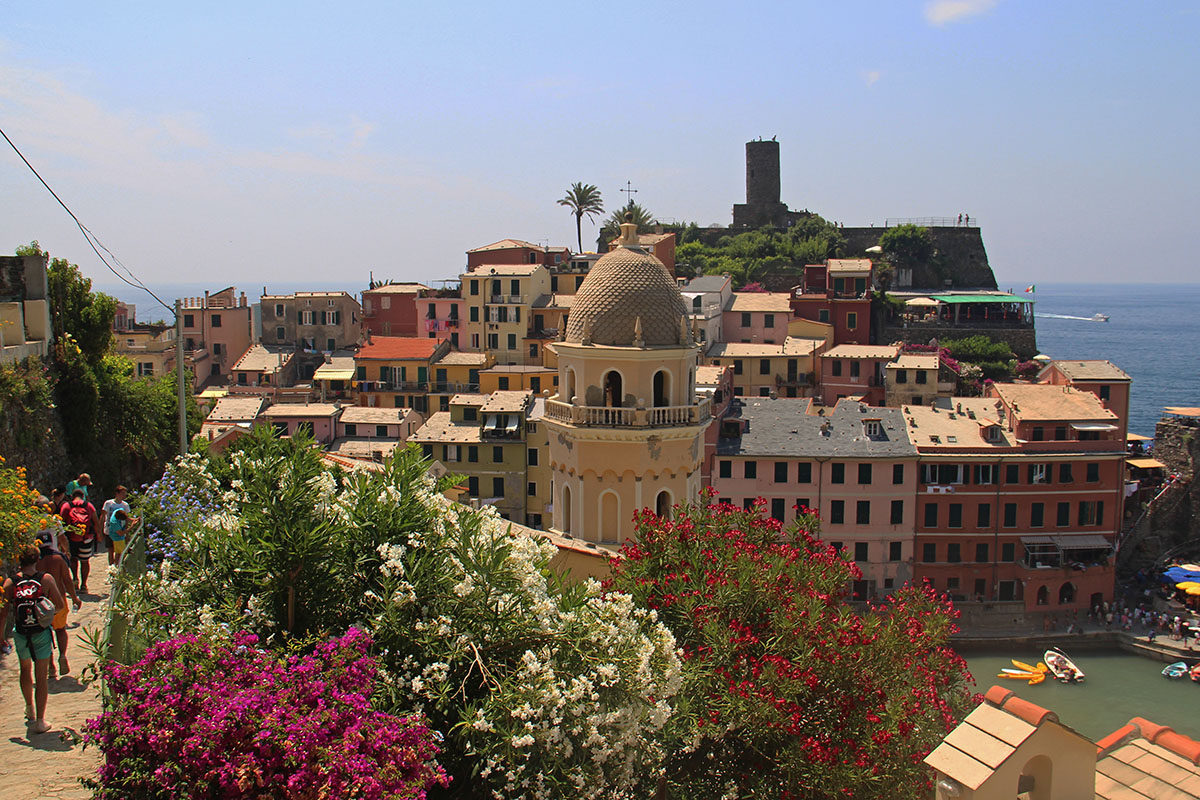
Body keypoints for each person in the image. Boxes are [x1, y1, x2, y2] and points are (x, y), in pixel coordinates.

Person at [0, 545, 66, 734]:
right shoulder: (45, 579)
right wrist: (44, 615)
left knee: (25, 670)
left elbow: (3, 614)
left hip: (20, 633)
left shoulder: (10, 583)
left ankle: (29, 708)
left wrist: (2, 637)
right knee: (41, 677)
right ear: (37, 559)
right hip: (40, 633)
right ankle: (40, 720)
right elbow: (60, 606)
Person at [35, 538, 82, 679]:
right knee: (60, 630)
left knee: (45, 633)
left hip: (41, 602)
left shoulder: (36, 562)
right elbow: (67, 580)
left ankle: (50, 666)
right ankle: (62, 654)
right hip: (59, 598)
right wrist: (74, 598)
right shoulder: (58, 558)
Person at [60, 489, 99, 594]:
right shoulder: (89, 506)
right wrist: (99, 535)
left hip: (71, 538)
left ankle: (75, 579)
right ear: (83, 496)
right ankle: (84, 585)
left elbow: (61, 522)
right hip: (86, 538)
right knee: (85, 561)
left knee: (73, 559)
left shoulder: (67, 506)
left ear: (72, 496)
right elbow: (95, 521)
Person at [101, 486, 133, 566]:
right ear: (117, 493)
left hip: (119, 530)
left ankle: (117, 566)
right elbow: (103, 515)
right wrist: (100, 529)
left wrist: (126, 533)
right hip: (109, 529)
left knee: (119, 550)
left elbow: (126, 518)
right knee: (110, 549)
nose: (124, 495)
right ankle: (111, 566)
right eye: (122, 494)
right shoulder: (108, 503)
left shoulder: (125, 505)